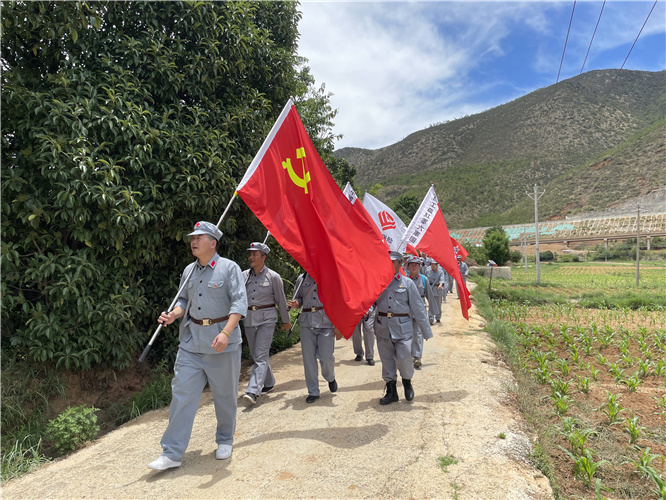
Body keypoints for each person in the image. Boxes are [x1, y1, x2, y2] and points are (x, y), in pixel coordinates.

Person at [148, 221, 247, 470]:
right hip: (192, 342)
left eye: (199, 237)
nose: (193, 241)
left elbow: (239, 304)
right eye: (192, 237)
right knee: (182, 395)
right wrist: (174, 315)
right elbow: (183, 300)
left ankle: (225, 439)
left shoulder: (229, 268)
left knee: (224, 396)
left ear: (213, 243)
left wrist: (226, 332)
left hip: (221, 342)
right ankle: (171, 453)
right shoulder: (188, 271)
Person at [374, 251, 433, 405]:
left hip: (403, 328)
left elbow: (418, 308)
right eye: (388, 261)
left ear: (400, 264)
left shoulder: (407, 283)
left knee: (405, 357)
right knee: (387, 361)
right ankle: (391, 390)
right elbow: (368, 303)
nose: (390, 264)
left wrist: (426, 330)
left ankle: (407, 382)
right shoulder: (377, 282)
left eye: (393, 262)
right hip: (383, 327)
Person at [241, 242, 291, 404]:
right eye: (250, 254)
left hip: (267, 319)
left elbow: (281, 301)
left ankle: (253, 390)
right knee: (256, 355)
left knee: (261, 355)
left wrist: (286, 321)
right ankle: (269, 382)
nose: (251, 257)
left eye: (255, 254)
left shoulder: (273, 277)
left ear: (264, 257)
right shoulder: (243, 276)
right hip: (249, 318)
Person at [287, 274, 337, 403]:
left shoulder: (329, 276)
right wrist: (296, 303)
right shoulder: (301, 278)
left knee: (326, 356)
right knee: (308, 358)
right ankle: (313, 391)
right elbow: (298, 298)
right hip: (307, 321)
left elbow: (337, 299)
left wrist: (338, 325)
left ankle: (330, 377)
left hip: (326, 320)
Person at [406, 255, 435, 368]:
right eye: (411, 265)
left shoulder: (423, 279)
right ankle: (408, 356)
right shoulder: (405, 279)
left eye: (416, 265)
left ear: (419, 266)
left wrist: (433, 311)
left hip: (420, 309)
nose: (413, 267)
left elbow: (429, 296)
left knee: (418, 333)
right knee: (407, 334)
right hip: (407, 310)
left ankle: (417, 356)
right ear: (407, 266)